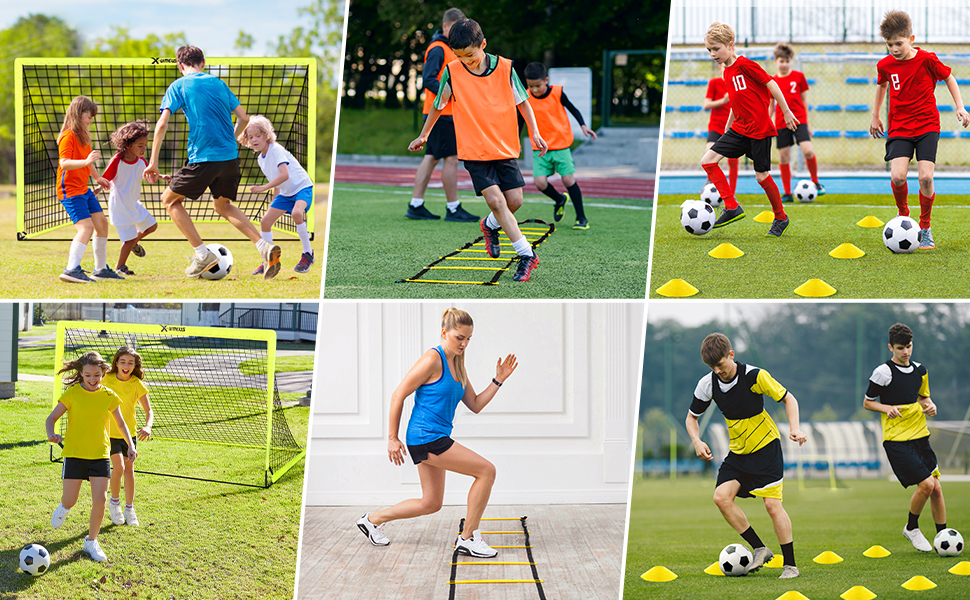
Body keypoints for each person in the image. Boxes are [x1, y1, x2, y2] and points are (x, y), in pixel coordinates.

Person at [355, 308, 518, 558]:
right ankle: (468, 537)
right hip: (426, 437)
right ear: (445, 332)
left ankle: (372, 520)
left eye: (468, 339)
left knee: (431, 503)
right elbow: (399, 394)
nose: (464, 343)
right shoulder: (433, 359)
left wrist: (498, 380)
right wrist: (391, 438)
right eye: (459, 337)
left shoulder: (458, 364)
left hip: (435, 437)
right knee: (487, 471)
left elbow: (474, 404)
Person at [408, 18, 548, 282]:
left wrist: (535, 132)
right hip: (473, 150)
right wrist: (423, 134)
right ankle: (526, 254)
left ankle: (490, 225)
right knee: (496, 201)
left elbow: (524, 103)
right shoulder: (452, 69)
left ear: (483, 44)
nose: (466, 61)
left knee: (514, 201)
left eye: (470, 55)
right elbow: (439, 103)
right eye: (460, 57)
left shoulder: (506, 68)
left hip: (504, 146)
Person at [143, 45, 282, 279]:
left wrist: (153, 161)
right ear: (203, 63)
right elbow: (244, 117)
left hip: (204, 157)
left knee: (168, 200)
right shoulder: (218, 83)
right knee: (222, 206)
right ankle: (263, 246)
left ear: (180, 65)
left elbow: (162, 123)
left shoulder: (179, 85)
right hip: (229, 158)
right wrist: (233, 139)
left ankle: (202, 254)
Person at [685, 333, 807, 579]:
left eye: (720, 364)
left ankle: (790, 565)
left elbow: (788, 398)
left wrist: (795, 428)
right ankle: (760, 548)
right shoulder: (707, 384)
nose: (718, 370)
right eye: (712, 367)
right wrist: (697, 441)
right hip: (739, 453)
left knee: (772, 506)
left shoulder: (754, 376)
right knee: (721, 498)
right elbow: (691, 418)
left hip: (766, 449)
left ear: (731, 355)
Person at [870, 10, 969, 250]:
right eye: (889, 44)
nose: (894, 49)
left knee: (925, 177)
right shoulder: (884, 65)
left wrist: (961, 107)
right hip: (900, 127)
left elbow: (949, 78)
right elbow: (881, 86)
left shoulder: (927, 59)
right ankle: (904, 215)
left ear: (911, 39)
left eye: (899, 43)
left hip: (927, 126)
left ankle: (925, 228)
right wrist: (875, 115)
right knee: (897, 176)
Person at [700, 22, 799, 237]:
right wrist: (727, 130)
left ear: (730, 44)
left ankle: (781, 217)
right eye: (709, 50)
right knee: (707, 161)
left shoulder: (745, 64)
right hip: (739, 129)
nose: (712, 54)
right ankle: (732, 206)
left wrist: (787, 111)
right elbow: (736, 103)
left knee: (762, 176)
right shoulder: (726, 71)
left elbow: (772, 84)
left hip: (760, 130)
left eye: (716, 48)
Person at [45, 351, 137, 562]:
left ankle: (91, 541)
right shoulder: (72, 394)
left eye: (97, 375)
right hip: (75, 454)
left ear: (103, 373)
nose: (93, 380)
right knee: (71, 499)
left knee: (101, 499)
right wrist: (51, 433)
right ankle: (64, 507)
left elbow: (121, 424)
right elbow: (52, 418)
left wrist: (130, 445)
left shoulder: (109, 396)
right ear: (81, 374)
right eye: (88, 376)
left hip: (100, 455)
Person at [863, 323, 947, 552]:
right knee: (927, 485)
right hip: (897, 440)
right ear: (891, 347)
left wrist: (931, 406)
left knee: (937, 488)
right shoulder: (883, 372)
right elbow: (868, 402)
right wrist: (886, 408)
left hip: (921, 436)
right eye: (900, 348)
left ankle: (943, 537)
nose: (905, 352)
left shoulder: (921, 370)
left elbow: (923, 399)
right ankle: (912, 528)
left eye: (908, 347)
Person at [407, 8, 478, 223]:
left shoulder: (449, 48)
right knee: (451, 158)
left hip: (440, 112)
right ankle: (453, 208)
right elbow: (428, 80)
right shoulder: (438, 49)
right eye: (456, 28)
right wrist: (453, 94)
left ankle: (416, 204)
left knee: (431, 158)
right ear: (446, 26)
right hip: (441, 113)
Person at [523, 62, 597, 229]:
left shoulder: (557, 92)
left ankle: (581, 218)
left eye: (538, 86)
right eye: (531, 86)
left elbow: (573, 109)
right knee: (540, 183)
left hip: (561, 145)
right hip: (540, 148)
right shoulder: (525, 97)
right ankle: (559, 199)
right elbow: (520, 120)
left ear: (546, 80)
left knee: (568, 179)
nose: (534, 90)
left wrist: (583, 125)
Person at [55, 96, 120, 283]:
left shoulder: (85, 134)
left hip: (83, 189)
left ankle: (100, 269)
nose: (91, 118)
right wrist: (86, 161)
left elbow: (87, 161)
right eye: (88, 115)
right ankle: (71, 269)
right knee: (86, 227)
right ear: (77, 113)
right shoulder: (68, 136)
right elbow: (65, 163)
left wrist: (98, 177)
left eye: (93, 116)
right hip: (70, 190)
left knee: (101, 224)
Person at [239, 115, 316, 274]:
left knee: (296, 213)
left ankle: (308, 253)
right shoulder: (261, 158)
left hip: (302, 187)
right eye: (250, 137)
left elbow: (284, 175)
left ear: (266, 135)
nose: (254, 140)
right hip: (286, 194)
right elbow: (277, 181)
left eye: (258, 136)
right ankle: (268, 260)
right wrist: (275, 200)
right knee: (265, 221)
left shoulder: (276, 149)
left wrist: (263, 188)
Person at [103, 122, 163, 276]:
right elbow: (105, 179)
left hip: (134, 204)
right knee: (127, 241)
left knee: (152, 226)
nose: (144, 149)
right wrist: (97, 188)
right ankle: (120, 267)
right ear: (128, 145)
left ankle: (134, 242)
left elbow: (149, 174)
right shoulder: (117, 161)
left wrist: (161, 176)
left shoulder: (141, 161)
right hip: (120, 207)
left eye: (145, 145)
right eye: (140, 146)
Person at [103, 346, 153, 527]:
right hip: (109, 433)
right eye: (122, 361)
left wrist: (147, 426)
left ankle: (129, 508)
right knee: (118, 467)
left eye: (130, 363)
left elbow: (149, 410)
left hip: (129, 434)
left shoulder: (136, 384)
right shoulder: (105, 379)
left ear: (135, 365)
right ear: (116, 362)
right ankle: (114, 503)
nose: (126, 365)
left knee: (129, 470)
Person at [769, 43, 824, 202]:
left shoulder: (799, 77)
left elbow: (804, 100)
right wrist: (768, 122)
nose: (784, 64)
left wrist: (807, 123)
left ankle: (815, 182)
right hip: (781, 123)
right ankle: (787, 192)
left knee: (808, 151)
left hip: (799, 120)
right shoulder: (772, 81)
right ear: (776, 61)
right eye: (781, 61)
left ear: (791, 61)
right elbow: (771, 105)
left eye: (787, 61)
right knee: (784, 157)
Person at [702, 64, 739, 194]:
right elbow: (706, 105)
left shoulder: (737, 84)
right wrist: (723, 101)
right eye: (724, 66)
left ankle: (732, 193)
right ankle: (709, 183)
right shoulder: (715, 82)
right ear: (719, 68)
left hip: (733, 128)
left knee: (733, 160)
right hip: (716, 127)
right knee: (709, 154)